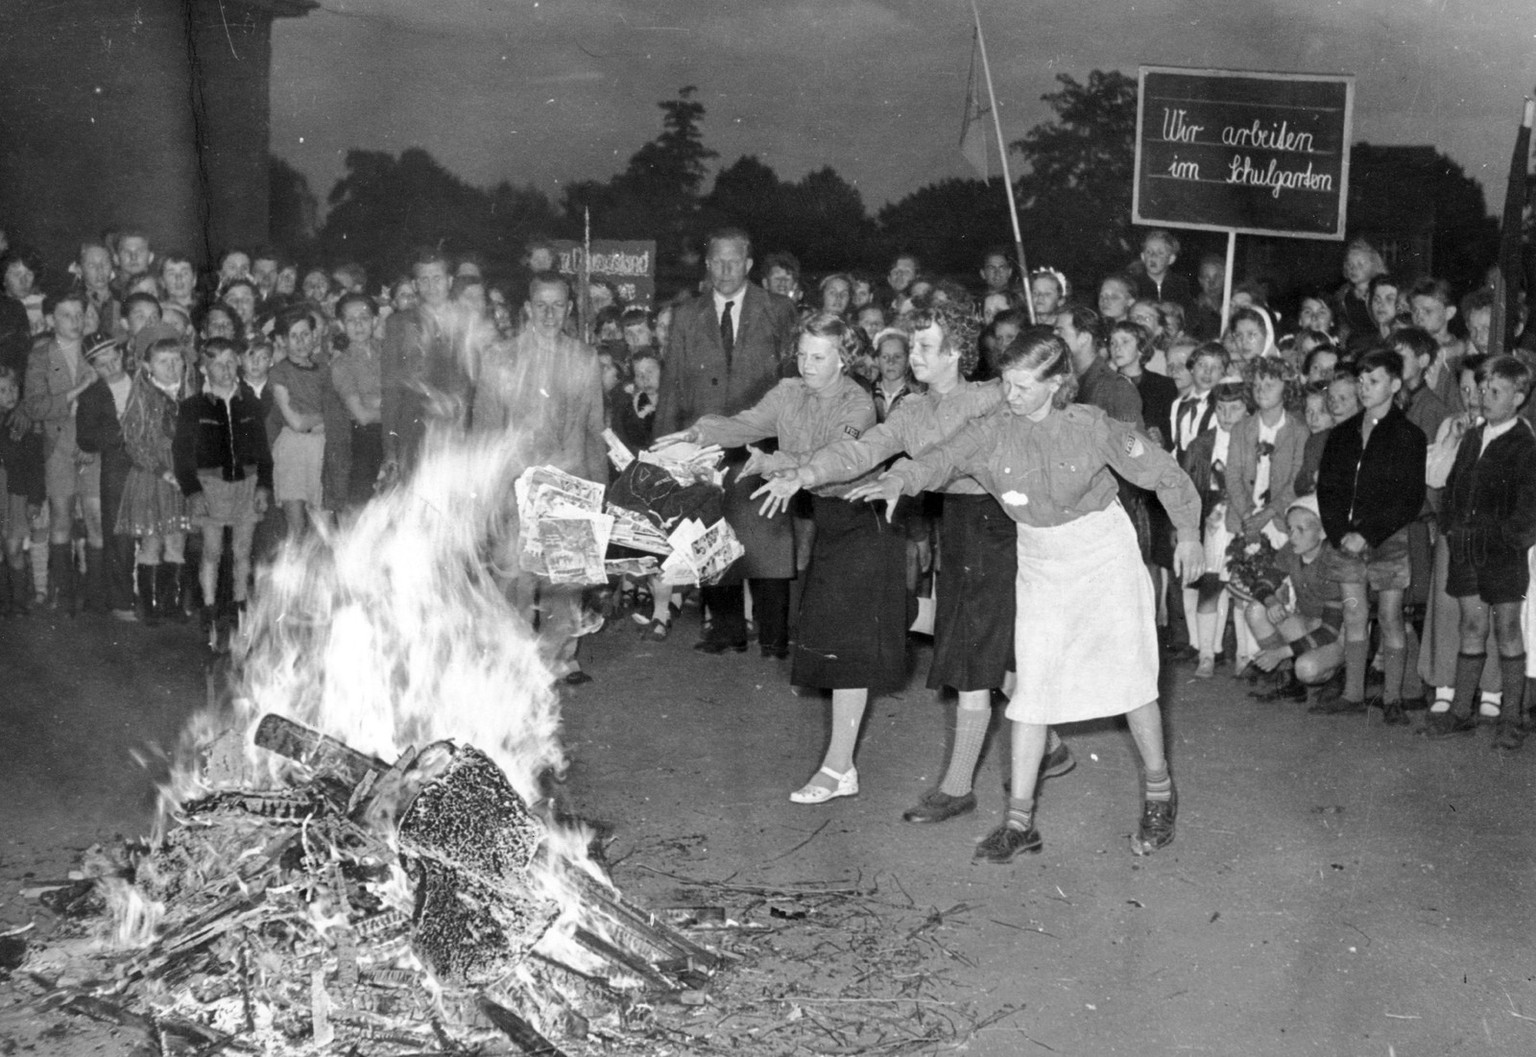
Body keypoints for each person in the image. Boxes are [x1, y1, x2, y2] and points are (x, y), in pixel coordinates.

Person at [857, 326, 1202, 859]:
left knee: (1132, 683)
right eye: (1007, 383)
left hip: (1102, 554)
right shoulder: (994, 430)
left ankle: (1160, 792)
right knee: (1033, 690)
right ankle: (1020, 824)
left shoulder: (1092, 426)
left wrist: (1191, 534)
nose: (1010, 396)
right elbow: (941, 459)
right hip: (1041, 560)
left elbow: (1164, 473)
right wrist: (898, 481)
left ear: (1057, 383)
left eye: (1022, 387)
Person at [756, 303, 1077, 824]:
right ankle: (1053, 745)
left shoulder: (991, 397)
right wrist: (806, 473)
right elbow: (862, 451)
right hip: (960, 523)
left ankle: (957, 788)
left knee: (972, 651)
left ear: (956, 352)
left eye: (927, 346)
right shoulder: (911, 411)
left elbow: (1049, 416)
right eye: (914, 343)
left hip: (1003, 526)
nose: (914, 354)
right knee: (978, 641)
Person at [660, 312, 905, 804]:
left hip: (864, 525)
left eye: (818, 356)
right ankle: (843, 764)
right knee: (836, 640)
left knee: (846, 649)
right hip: (828, 527)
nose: (807, 364)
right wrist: (700, 434)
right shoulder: (790, 392)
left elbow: (839, 460)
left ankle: (838, 770)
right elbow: (745, 423)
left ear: (843, 358)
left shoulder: (858, 405)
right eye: (802, 354)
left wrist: (776, 464)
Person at [654, 228, 798, 658]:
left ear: (750, 264)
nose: (725, 270)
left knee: (768, 540)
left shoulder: (779, 310)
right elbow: (672, 385)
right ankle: (726, 629)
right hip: (705, 449)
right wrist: (663, 453)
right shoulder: (686, 314)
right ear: (707, 264)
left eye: (734, 261)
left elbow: (793, 384)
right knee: (714, 537)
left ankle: (774, 637)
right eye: (717, 261)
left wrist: (792, 450)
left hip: (763, 447)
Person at [474, 272, 606, 685]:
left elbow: (594, 429)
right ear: (528, 308)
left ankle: (560, 659)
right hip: (516, 484)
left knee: (565, 581)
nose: (550, 314)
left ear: (569, 310)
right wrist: (489, 492)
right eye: (541, 305)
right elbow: (485, 430)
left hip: (569, 480)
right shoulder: (500, 357)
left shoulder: (583, 358)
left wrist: (597, 491)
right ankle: (511, 663)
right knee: (513, 580)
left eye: (558, 306)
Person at [1423, 356, 1536, 747]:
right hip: (1466, 549)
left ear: (1519, 398)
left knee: (1506, 630)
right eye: (1482, 390)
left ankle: (1511, 718)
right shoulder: (1472, 437)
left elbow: (1529, 509)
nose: (1485, 398)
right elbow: (1452, 488)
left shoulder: (1525, 445)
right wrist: (1453, 529)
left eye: (1496, 392)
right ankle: (1460, 711)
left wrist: (1507, 538)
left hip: (1503, 555)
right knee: (1471, 627)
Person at [1314, 348, 1427, 720]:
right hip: (1345, 540)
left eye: (1373, 381)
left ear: (1394, 385)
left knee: (1392, 616)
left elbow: (1409, 498)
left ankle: (1392, 698)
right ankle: (1353, 694)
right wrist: (1338, 532)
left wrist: (1369, 534)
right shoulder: (1343, 433)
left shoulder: (1409, 435)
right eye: (1360, 382)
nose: (1364, 389)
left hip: (1386, 540)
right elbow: (1327, 490)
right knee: (1353, 615)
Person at [173, 338, 272, 637]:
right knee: (212, 550)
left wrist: (263, 485)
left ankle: (240, 605)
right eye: (217, 363)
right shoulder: (193, 407)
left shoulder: (250, 403)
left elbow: (263, 449)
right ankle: (209, 606)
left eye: (231, 361)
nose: (226, 369)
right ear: (204, 369)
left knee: (243, 550)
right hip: (211, 485)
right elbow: (182, 454)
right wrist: (193, 491)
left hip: (247, 483)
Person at [25, 291, 96, 612]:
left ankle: (99, 594)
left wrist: (90, 438)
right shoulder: (41, 356)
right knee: (61, 518)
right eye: (66, 315)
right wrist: (76, 391)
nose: (75, 322)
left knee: (96, 519)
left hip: (92, 444)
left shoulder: (95, 350)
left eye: (79, 314)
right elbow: (36, 405)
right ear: (51, 319)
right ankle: (62, 593)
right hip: (58, 446)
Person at [1241, 495, 1345, 701]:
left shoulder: (1333, 560)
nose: (1293, 536)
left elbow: (1330, 629)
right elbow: (1262, 583)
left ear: (1323, 531)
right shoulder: (1291, 550)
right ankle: (1288, 676)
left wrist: (1280, 653)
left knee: (1306, 668)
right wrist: (1271, 600)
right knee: (1255, 610)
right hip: (1307, 623)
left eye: (1301, 530)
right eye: (1290, 529)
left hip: (1336, 635)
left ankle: (1340, 672)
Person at [118, 337, 191, 625]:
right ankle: (146, 604)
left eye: (177, 361)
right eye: (164, 362)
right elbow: (135, 444)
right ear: (149, 366)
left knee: (177, 541)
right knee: (151, 542)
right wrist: (165, 472)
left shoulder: (188, 394)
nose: (172, 367)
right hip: (153, 475)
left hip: (183, 473)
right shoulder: (143, 396)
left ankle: (169, 603)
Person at [380, 247, 468, 481]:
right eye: (424, 279)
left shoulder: (468, 323)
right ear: (416, 285)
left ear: (450, 281)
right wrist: (390, 450)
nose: (431, 286)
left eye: (437, 278)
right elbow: (391, 391)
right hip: (414, 434)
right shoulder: (399, 325)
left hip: (458, 433)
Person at [74, 334, 136, 618]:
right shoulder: (92, 394)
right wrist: (119, 433)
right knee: (118, 530)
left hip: (152, 461)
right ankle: (120, 600)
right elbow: (86, 439)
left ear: (122, 355)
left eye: (114, 359)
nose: (111, 367)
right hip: (117, 463)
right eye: (102, 364)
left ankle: (153, 595)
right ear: (92, 368)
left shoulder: (141, 381)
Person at [268, 307, 328, 536]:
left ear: (314, 335)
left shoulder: (324, 368)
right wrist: (325, 418)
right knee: (297, 527)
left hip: (322, 446)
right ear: (282, 340)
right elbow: (296, 422)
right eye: (294, 336)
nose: (301, 341)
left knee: (324, 525)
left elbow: (335, 409)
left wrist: (319, 420)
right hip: (294, 448)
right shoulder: (279, 373)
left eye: (306, 334)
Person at [329, 292, 383, 509]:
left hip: (395, 434)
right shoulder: (341, 365)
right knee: (364, 507)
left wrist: (378, 403)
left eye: (364, 318)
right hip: (364, 440)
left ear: (375, 320)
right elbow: (361, 415)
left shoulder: (388, 351)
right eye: (351, 320)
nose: (358, 325)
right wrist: (390, 406)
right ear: (341, 325)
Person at [0, 364, 39, 615]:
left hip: (15, 492)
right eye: (2, 390)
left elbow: (35, 464)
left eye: (13, 388)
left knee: (14, 547)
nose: (10, 394)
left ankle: (20, 601)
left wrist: (35, 498)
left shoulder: (23, 421)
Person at [1132, 230, 1192, 309]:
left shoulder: (1180, 285)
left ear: (1171, 259)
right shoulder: (1133, 284)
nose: (1153, 257)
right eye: (1149, 252)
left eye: (1160, 253)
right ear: (1143, 257)